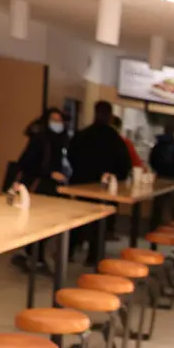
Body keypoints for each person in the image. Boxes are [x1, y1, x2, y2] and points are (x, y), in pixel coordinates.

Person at [67, 100, 131, 266]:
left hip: (81, 184)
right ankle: (93, 257)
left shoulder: (83, 134)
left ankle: (69, 251)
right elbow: (125, 164)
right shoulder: (115, 139)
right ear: (110, 116)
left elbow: (71, 155)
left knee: (77, 219)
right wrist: (116, 178)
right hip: (104, 188)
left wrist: (79, 172)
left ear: (95, 113)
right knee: (99, 223)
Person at [9, 108, 72, 275]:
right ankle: (31, 256)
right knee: (38, 222)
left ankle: (33, 256)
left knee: (47, 223)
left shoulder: (63, 139)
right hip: (39, 185)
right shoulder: (40, 139)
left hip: (54, 187)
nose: (58, 124)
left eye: (60, 120)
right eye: (54, 120)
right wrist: (49, 173)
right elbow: (26, 162)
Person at [148, 123, 174, 230]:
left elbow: (152, 161)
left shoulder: (158, 146)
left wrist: (158, 171)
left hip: (160, 179)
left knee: (157, 209)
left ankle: (152, 231)